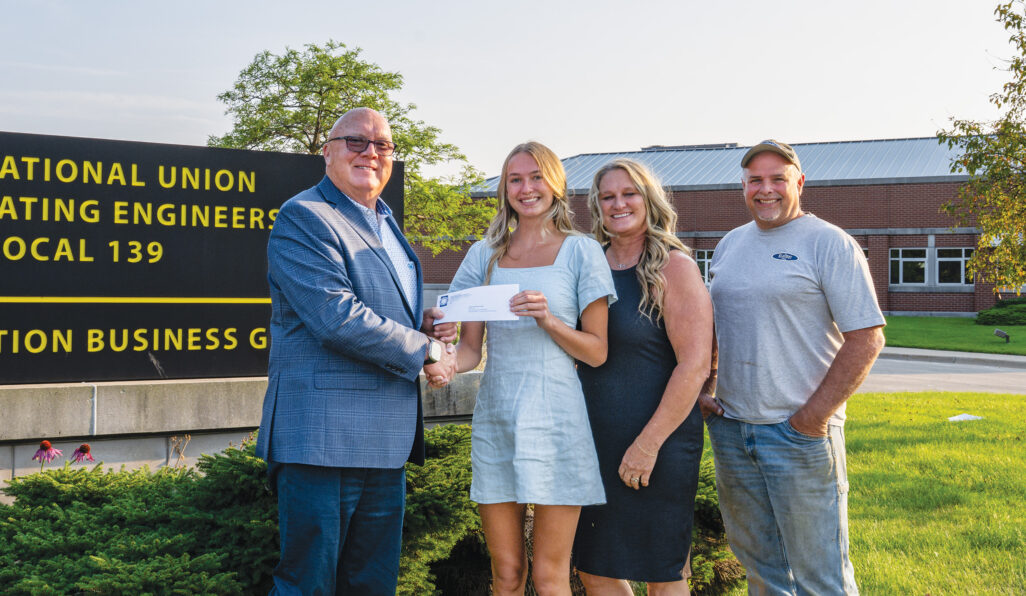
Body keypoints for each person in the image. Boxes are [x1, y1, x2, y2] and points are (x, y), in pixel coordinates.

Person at [254, 107, 457, 595]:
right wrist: (426, 349)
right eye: (356, 142)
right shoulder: (304, 216)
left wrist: (422, 323)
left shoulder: (386, 222)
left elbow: (380, 309)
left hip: (385, 444)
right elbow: (335, 318)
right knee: (309, 585)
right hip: (322, 439)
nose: (370, 153)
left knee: (372, 585)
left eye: (382, 145)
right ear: (327, 152)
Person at [701, 140, 885, 595]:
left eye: (777, 179)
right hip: (731, 431)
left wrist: (812, 418)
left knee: (820, 577)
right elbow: (717, 328)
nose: (766, 190)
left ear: (798, 183)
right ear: (743, 187)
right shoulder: (729, 245)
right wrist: (707, 386)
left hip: (798, 436)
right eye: (755, 181)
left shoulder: (829, 243)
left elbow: (866, 336)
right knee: (761, 571)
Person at [442, 141, 616, 596]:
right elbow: (467, 351)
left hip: (558, 424)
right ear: (504, 189)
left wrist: (548, 319)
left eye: (536, 177)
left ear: (555, 183)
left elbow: (596, 352)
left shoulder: (582, 252)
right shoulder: (485, 254)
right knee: (507, 576)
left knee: (550, 577)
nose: (526, 188)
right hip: (497, 423)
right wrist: (437, 357)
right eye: (515, 179)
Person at [574, 159, 714, 596]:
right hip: (593, 439)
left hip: (659, 442)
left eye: (629, 193)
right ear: (597, 206)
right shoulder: (587, 262)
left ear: (648, 199)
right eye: (608, 196)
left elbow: (694, 364)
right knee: (593, 568)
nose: (619, 204)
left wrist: (647, 445)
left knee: (663, 573)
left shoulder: (674, 267)